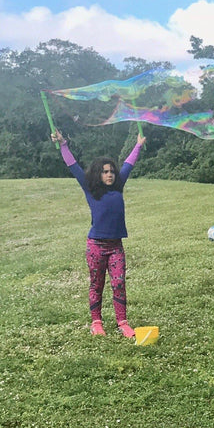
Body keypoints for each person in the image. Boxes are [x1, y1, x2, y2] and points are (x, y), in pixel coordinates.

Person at [52, 129, 145, 338]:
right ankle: (97, 322)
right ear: (98, 174)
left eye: (111, 171)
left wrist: (138, 145)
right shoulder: (90, 188)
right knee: (97, 283)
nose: (109, 174)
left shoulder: (118, 187)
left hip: (115, 247)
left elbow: (129, 164)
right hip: (96, 246)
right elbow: (73, 166)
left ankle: (122, 322)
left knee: (119, 283)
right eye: (105, 171)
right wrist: (63, 144)